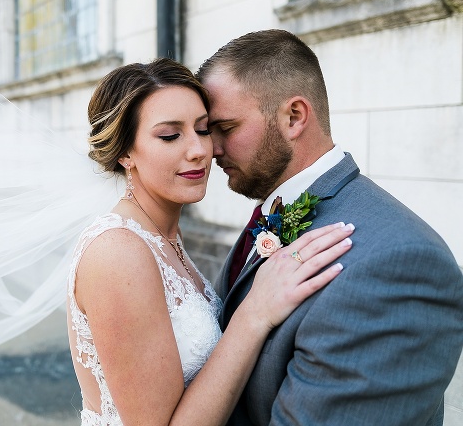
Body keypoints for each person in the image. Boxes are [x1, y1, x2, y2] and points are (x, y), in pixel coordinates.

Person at [196, 29, 463, 425]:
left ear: (294, 116)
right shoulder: (276, 209)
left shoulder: (398, 264)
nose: (211, 149)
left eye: (227, 128)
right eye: (208, 131)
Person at [67, 58, 355, 425]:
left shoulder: (164, 236)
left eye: (203, 130)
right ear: (125, 153)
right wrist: (255, 313)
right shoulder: (118, 252)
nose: (199, 150)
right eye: (170, 135)